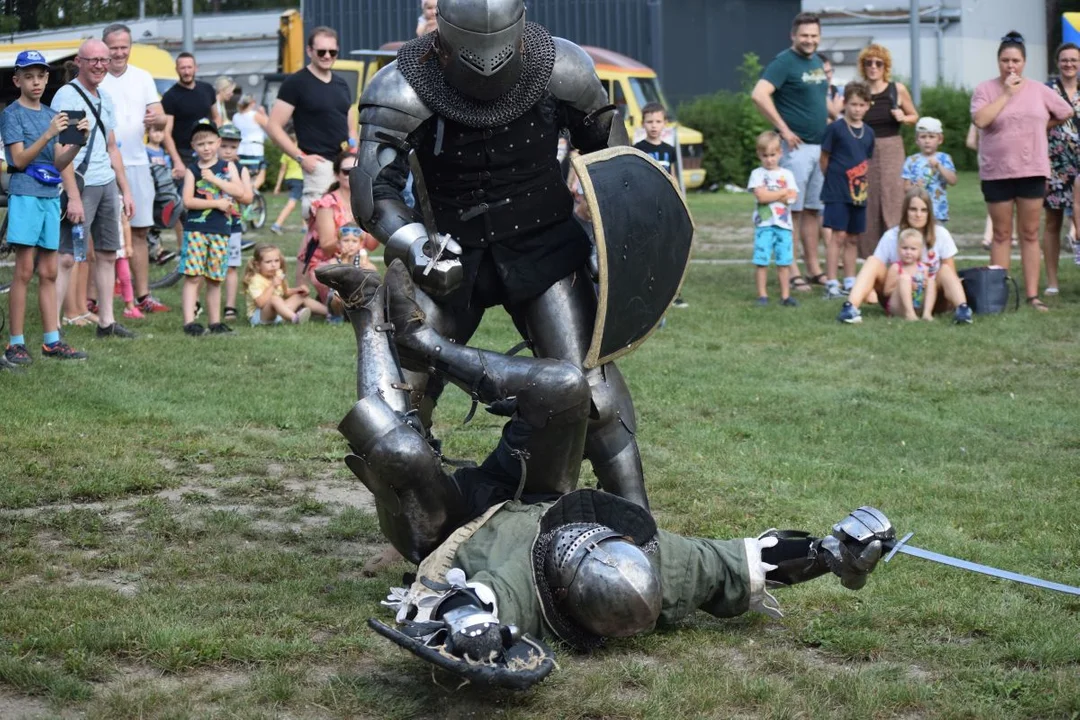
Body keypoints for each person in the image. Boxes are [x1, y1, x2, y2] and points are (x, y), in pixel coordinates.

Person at [315, 261, 887, 684]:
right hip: (534, 493)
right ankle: (422, 343)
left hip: (448, 527)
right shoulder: (658, 566)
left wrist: (473, 635)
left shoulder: (521, 590)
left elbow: (463, 608)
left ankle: (367, 314)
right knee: (566, 385)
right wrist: (834, 552)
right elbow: (752, 562)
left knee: (399, 451)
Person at [353, 0, 654, 510]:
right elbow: (374, 195)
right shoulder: (400, 85)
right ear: (443, 36)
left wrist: (614, 243)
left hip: (545, 246)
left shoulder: (564, 67)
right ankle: (416, 529)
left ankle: (634, 515)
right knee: (399, 400)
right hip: (446, 253)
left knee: (592, 392)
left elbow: (615, 165)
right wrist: (415, 244)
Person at [972, 31, 1073, 311]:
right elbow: (981, 119)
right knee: (1001, 235)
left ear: (1024, 62)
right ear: (998, 62)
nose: (1010, 65)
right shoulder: (985, 90)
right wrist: (1006, 93)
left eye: (1015, 60)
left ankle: (1032, 295)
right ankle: (999, 295)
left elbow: (1065, 112)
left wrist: (1040, 128)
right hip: (996, 171)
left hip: (1032, 169)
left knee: (1030, 234)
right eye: (1005, 60)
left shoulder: (1040, 90)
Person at [1, 49, 90, 364]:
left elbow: (57, 161)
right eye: (29, 76)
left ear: (47, 78)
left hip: (50, 197)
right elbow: (20, 159)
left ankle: (52, 341)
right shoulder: (12, 114)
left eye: (41, 76)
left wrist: (77, 145)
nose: (36, 82)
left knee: (50, 270)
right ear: (17, 80)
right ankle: (15, 342)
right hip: (25, 195)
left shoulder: (50, 113)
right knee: (24, 271)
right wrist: (50, 133)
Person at [52, 38, 137, 340]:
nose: (100, 65)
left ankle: (107, 322)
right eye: (93, 60)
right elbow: (62, 151)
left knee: (106, 254)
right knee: (65, 257)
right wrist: (73, 197)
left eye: (104, 60)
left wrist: (125, 190)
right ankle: (54, 330)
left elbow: (112, 147)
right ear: (79, 61)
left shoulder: (105, 97)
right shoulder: (68, 96)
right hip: (80, 184)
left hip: (106, 184)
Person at [752, 12, 830, 292]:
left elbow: (821, 103)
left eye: (814, 35)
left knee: (811, 211)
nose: (809, 40)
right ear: (793, 36)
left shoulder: (817, 62)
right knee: (792, 210)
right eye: (804, 35)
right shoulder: (784, 62)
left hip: (817, 147)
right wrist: (783, 130)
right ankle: (792, 269)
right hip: (795, 149)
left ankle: (813, 268)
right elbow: (759, 94)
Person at [101, 23, 171, 316]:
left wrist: (155, 119)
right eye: (113, 47)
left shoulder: (142, 77)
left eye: (123, 47)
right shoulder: (96, 78)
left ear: (131, 47)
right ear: (105, 48)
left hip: (138, 162)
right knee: (100, 236)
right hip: (102, 164)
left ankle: (143, 295)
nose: (118, 52)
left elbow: (163, 119)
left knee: (140, 231)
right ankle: (95, 299)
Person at [837, 188, 972, 324]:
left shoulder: (941, 234)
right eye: (913, 209)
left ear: (929, 213)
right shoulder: (891, 236)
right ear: (905, 211)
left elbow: (951, 274)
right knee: (872, 260)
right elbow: (877, 274)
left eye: (923, 210)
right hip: (898, 297)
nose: (918, 215)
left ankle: (963, 310)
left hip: (932, 297)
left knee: (946, 269)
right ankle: (850, 308)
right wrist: (871, 291)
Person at [266, 26, 358, 221]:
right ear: (309, 51)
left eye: (332, 52)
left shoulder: (342, 84)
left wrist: (354, 152)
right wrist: (301, 158)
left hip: (345, 167)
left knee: (348, 230)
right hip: (319, 167)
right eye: (321, 51)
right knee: (320, 233)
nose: (327, 56)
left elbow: (350, 126)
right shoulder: (296, 83)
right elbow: (273, 127)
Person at [179, 118, 246, 336]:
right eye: (200, 144)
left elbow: (239, 192)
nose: (206, 148)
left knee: (215, 277)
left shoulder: (228, 167)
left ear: (218, 142)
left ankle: (215, 322)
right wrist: (216, 203)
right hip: (196, 229)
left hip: (221, 230)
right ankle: (190, 322)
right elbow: (188, 201)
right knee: (193, 276)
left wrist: (216, 181)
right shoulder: (192, 170)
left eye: (209, 143)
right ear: (194, 147)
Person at [856, 44, 919, 258]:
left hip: (892, 146)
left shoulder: (896, 89)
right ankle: (870, 255)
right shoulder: (858, 90)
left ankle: (899, 252)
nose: (873, 67)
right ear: (863, 66)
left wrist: (904, 117)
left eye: (878, 63)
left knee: (894, 197)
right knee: (868, 199)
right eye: (869, 63)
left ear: (885, 67)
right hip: (865, 148)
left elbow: (914, 116)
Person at [820, 81, 874, 298]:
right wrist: (833, 180)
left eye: (862, 105)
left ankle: (850, 281)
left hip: (858, 192)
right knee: (838, 236)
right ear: (845, 104)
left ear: (868, 106)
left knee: (853, 237)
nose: (857, 109)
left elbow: (866, 159)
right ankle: (831, 282)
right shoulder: (835, 129)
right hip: (837, 190)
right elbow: (824, 159)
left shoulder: (869, 133)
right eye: (853, 104)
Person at [633, 102, 688, 308]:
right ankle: (647, 289)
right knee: (648, 250)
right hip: (647, 207)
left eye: (658, 121)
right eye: (649, 122)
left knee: (669, 249)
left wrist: (679, 200)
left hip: (666, 207)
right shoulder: (638, 149)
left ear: (665, 123)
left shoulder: (669, 150)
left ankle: (673, 293)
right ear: (643, 124)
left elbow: (673, 176)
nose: (654, 126)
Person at [1042, 42, 1080, 296]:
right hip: (1054, 165)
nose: (1069, 64)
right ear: (1057, 62)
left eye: (1074, 60)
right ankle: (1052, 282)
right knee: (1053, 222)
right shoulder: (1047, 90)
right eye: (1064, 60)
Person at [300, 151, 367, 289]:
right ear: (337, 175)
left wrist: (376, 220)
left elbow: (372, 245)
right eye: (346, 171)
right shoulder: (327, 203)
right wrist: (350, 239)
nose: (352, 175)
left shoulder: (363, 202)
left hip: (355, 259)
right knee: (346, 293)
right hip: (327, 262)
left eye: (356, 171)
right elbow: (326, 247)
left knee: (371, 275)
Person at [747, 130, 799, 306]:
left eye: (773, 155)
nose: (769, 159)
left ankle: (785, 296)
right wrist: (782, 193)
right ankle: (762, 295)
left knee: (783, 261)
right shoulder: (757, 174)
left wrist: (773, 194)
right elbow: (761, 197)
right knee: (761, 261)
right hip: (764, 224)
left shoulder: (787, 175)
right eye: (765, 155)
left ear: (780, 153)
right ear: (759, 155)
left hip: (784, 225)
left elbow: (792, 198)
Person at [217, 123, 254, 323]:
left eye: (233, 147)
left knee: (231, 266)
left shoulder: (241, 169)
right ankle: (197, 302)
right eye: (224, 146)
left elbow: (247, 198)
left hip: (232, 225)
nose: (228, 151)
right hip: (210, 225)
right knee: (206, 268)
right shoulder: (207, 167)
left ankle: (229, 306)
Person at [160, 52, 218, 175]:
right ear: (176, 70)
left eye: (189, 67)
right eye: (183, 68)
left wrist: (215, 143)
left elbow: (217, 117)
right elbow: (166, 133)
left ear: (195, 68)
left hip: (208, 150)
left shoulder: (207, 89)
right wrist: (177, 161)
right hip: (184, 154)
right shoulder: (170, 97)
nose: (186, 72)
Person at [244, 243, 327, 325]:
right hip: (259, 317)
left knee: (300, 296)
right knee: (274, 299)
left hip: (278, 312)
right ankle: (295, 319)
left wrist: (298, 290)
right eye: (268, 262)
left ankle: (330, 313)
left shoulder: (278, 274)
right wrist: (272, 285)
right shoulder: (255, 280)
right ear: (258, 265)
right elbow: (260, 303)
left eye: (276, 261)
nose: (273, 265)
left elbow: (285, 293)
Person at [901, 117, 957, 223]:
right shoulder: (911, 160)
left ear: (940, 139)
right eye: (923, 137)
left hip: (938, 212)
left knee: (936, 238)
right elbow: (905, 188)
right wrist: (915, 187)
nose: (927, 141)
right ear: (917, 140)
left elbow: (953, 181)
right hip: (917, 212)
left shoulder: (944, 158)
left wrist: (939, 166)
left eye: (931, 137)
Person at [885, 228, 935, 321]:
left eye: (913, 249)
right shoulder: (896, 267)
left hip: (918, 304)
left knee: (931, 281)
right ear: (898, 248)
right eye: (905, 248)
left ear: (920, 251)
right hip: (899, 306)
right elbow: (886, 292)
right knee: (905, 278)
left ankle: (927, 313)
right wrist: (906, 286)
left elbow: (926, 288)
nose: (908, 252)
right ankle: (909, 313)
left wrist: (924, 285)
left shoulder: (923, 268)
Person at [965, 123, 1000, 250]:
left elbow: (970, 142)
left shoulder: (979, 115)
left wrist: (983, 149)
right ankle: (989, 236)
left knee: (995, 199)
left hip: (986, 161)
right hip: (1003, 160)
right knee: (1004, 199)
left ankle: (990, 235)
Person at [233, 94, 268, 190]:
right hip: (255, 149)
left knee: (244, 176)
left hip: (241, 150)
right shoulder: (255, 115)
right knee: (258, 177)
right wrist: (264, 114)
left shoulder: (236, 116)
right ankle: (251, 194)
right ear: (252, 103)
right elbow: (270, 127)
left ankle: (245, 193)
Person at [271, 136, 303, 235]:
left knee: (306, 202)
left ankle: (305, 227)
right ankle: (277, 224)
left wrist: (277, 186)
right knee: (292, 204)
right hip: (299, 179)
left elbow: (282, 170)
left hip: (289, 179)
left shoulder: (287, 152)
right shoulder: (302, 150)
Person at [819, 53, 843, 121]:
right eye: (824, 73)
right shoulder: (810, 96)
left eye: (830, 71)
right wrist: (835, 111)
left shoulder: (841, 92)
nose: (828, 76)